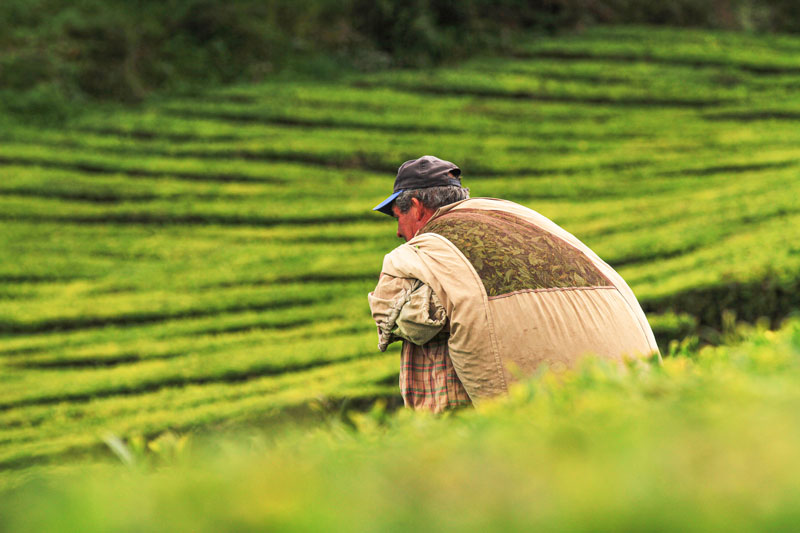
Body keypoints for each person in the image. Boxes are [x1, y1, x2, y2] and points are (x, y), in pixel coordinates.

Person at [368, 155, 660, 413]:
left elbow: (389, 310)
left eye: (399, 216)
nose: (397, 231)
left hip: (501, 410)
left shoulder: (431, 247)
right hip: (621, 383)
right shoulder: (514, 219)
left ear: (417, 208)